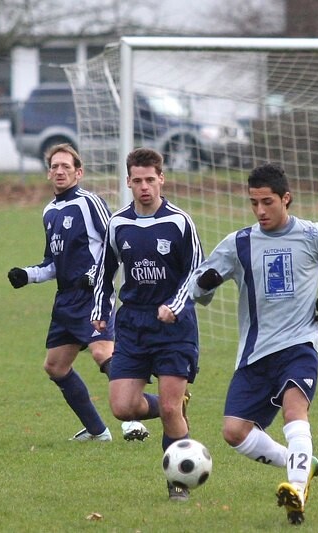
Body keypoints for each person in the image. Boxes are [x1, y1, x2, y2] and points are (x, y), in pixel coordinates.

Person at [187, 163, 318, 525]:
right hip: (256, 352)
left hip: (299, 344)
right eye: (254, 203)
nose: (260, 210)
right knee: (234, 432)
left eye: (267, 202)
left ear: (286, 199)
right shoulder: (239, 243)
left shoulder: (314, 234)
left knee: (295, 411)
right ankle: (301, 462)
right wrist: (206, 282)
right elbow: (197, 289)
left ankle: (297, 491)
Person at [7, 143, 149, 443]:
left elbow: (114, 245)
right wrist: (27, 275)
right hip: (66, 300)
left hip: (94, 294)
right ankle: (98, 432)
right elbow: (52, 263)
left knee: (102, 352)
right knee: (55, 366)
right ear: (49, 173)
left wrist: (94, 276)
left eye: (66, 167)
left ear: (78, 172)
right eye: (55, 167)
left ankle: (132, 421)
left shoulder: (89, 203)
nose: (60, 171)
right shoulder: (49, 212)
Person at [91, 147, 204, 501]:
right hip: (133, 324)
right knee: (122, 407)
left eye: (150, 180)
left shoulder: (179, 222)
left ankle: (178, 482)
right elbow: (104, 272)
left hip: (174, 326)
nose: (144, 187)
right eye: (137, 180)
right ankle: (174, 406)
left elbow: (196, 273)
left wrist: (175, 305)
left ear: (161, 179)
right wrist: (100, 310)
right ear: (128, 181)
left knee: (169, 409)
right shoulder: (118, 223)